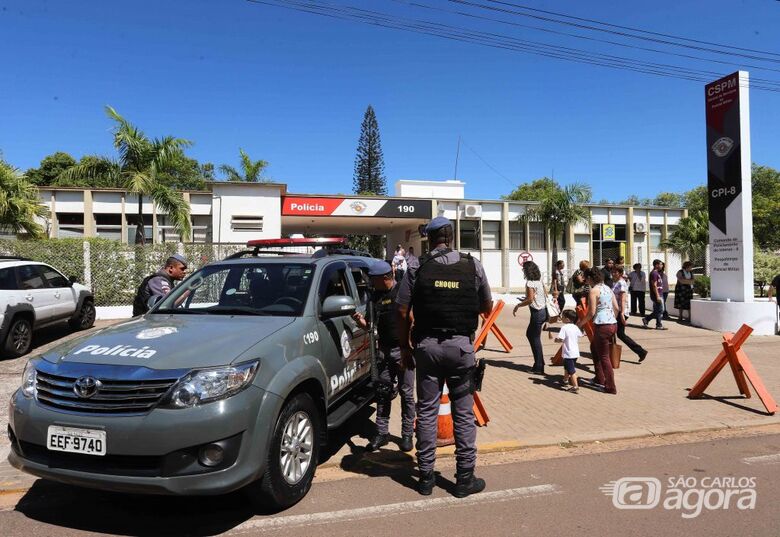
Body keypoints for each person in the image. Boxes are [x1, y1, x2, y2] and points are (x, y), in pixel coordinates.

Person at [396, 216, 493, 498]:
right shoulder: (473, 265)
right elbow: (486, 307)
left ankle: (425, 478)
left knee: (426, 411)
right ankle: (464, 479)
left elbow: (401, 311)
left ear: (430, 238)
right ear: (450, 237)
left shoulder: (417, 267)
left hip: (427, 349)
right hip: (461, 349)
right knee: (463, 414)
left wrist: (404, 347)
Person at [353, 261, 415, 453]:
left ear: (385, 278)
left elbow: (412, 320)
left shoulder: (402, 294)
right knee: (382, 392)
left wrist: (410, 346)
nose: (370, 282)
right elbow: (370, 326)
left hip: (403, 351)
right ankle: (382, 433)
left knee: (406, 393)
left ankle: (407, 435)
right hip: (384, 351)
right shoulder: (374, 298)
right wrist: (360, 321)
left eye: (373, 279)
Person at [578, 268, 619, 394]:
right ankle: (599, 378)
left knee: (604, 357)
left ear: (590, 278)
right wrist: (612, 319)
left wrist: (580, 323)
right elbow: (616, 308)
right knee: (594, 349)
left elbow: (591, 312)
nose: (586, 281)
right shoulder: (607, 288)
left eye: (586, 278)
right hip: (612, 324)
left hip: (602, 325)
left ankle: (610, 386)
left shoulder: (593, 291)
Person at [513, 261, 548, 375]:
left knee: (534, 338)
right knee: (531, 335)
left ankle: (539, 366)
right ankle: (539, 363)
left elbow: (530, 299)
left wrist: (518, 305)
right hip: (543, 311)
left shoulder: (530, 283)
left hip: (537, 313)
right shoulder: (539, 281)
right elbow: (543, 295)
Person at [612, 266, 648, 362]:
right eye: (612, 272)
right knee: (617, 333)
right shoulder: (616, 283)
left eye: (615, 272)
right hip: (616, 312)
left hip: (620, 312)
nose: (613, 274)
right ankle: (611, 353)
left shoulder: (621, 283)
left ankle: (640, 351)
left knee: (619, 334)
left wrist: (622, 313)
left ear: (620, 273)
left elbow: (623, 299)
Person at [555, 309, 583, 393]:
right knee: (567, 367)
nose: (561, 318)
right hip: (575, 352)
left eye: (562, 317)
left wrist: (556, 340)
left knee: (571, 370)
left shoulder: (564, 328)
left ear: (567, 319)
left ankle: (575, 386)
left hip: (568, 353)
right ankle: (565, 380)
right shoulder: (575, 327)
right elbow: (580, 335)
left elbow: (560, 339)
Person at [642, 259, 667, 330]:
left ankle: (648, 320)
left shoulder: (657, 273)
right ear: (656, 265)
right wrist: (657, 296)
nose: (662, 266)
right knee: (660, 310)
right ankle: (657, 324)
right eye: (660, 264)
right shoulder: (654, 273)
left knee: (658, 310)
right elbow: (654, 285)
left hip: (659, 293)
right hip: (657, 294)